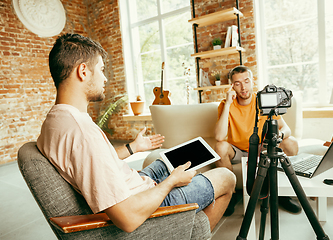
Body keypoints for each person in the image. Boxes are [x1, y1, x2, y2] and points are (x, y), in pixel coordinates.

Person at [37, 33, 236, 233]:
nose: (105, 78)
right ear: (83, 71)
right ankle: (194, 234)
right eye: (101, 70)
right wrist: (171, 182)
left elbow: (87, 162)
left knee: (169, 159)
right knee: (227, 177)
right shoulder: (81, 132)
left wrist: (134, 148)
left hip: (132, 183)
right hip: (139, 202)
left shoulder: (55, 121)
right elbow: (128, 218)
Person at [214, 65, 301, 214]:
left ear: (252, 81)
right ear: (232, 86)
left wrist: (277, 138)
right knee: (220, 147)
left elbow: (286, 129)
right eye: (237, 83)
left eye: (246, 81)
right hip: (239, 151)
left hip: (263, 150)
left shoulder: (263, 101)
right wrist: (228, 103)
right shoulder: (225, 105)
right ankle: (231, 195)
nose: (243, 87)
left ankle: (282, 194)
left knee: (291, 143)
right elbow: (219, 137)